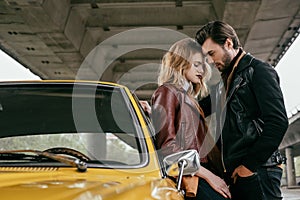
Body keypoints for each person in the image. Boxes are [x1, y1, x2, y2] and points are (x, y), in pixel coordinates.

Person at [195, 21, 289, 200]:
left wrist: (249, 167)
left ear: (228, 43)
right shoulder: (226, 83)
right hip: (238, 172)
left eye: (211, 53)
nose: (209, 61)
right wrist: (157, 108)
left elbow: (278, 122)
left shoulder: (259, 71)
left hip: (258, 170)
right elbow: (196, 107)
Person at [151, 38, 231, 199]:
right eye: (196, 64)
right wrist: (209, 176)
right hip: (191, 174)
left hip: (199, 170)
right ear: (180, 63)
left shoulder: (188, 97)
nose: (201, 70)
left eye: (203, 65)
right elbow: (167, 147)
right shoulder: (167, 92)